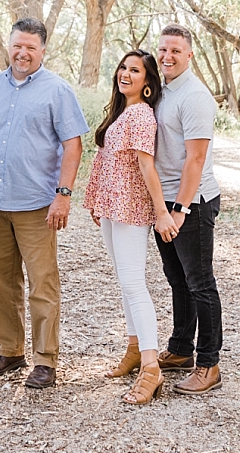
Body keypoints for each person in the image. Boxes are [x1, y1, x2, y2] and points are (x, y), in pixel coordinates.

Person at [0, 18, 89, 389]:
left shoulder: (57, 90)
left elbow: (73, 145)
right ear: (9, 45)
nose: (22, 53)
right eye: (17, 46)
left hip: (37, 204)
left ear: (42, 51)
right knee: (2, 282)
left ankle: (45, 360)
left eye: (31, 48)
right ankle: (10, 351)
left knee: (42, 284)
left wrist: (63, 196)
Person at [85, 50, 178, 405]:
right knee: (125, 282)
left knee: (134, 284)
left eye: (135, 70)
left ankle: (151, 367)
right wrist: (96, 198)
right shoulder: (122, 111)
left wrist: (160, 213)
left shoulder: (141, 114)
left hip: (130, 209)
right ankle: (135, 347)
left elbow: (146, 166)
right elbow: (108, 160)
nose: (125, 73)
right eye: (123, 67)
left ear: (148, 82)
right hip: (111, 206)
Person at [150, 24, 225, 395]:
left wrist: (179, 208)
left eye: (176, 51)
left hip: (190, 202)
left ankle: (209, 364)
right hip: (163, 199)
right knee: (177, 278)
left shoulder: (194, 96)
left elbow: (196, 159)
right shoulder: (163, 91)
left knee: (200, 283)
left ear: (190, 55)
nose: (167, 56)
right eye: (163, 49)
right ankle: (181, 349)